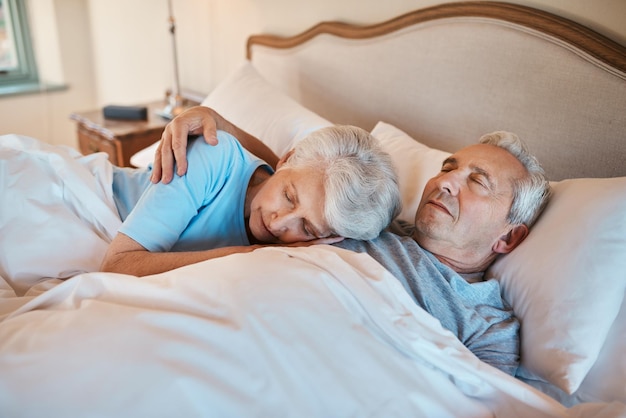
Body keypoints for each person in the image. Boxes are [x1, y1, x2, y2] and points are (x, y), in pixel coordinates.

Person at [150, 105, 552, 376]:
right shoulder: (374, 223)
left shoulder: (488, 327)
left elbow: (481, 401)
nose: (446, 181)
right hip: (231, 323)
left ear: (509, 237)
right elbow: (297, 178)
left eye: (477, 181)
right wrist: (219, 121)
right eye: (448, 167)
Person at [100, 124, 402, 276]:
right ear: (287, 160)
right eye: (288, 196)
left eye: (307, 228)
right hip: (93, 195)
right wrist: (251, 252)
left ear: (331, 237)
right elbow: (117, 265)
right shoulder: (214, 156)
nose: (279, 222)